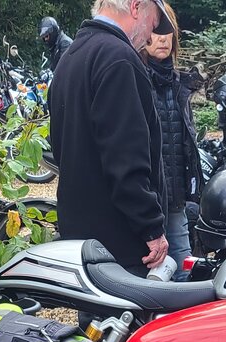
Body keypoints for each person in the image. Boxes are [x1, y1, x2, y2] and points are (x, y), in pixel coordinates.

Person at [48, 0, 173, 273]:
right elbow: (126, 160)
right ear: (136, 7)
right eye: (152, 25)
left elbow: (58, 147)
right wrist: (151, 227)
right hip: (121, 246)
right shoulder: (119, 59)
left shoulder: (70, 57)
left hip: (81, 243)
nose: (150, 37)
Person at [142, 3, 201, 276]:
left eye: (168, 32)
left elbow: (187, 142)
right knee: (150, 274)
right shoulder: (136, 78)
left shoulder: (180, 83)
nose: (163, 39)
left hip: (176, 196)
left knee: (185, 269)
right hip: (148, 197)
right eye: (156, 31)